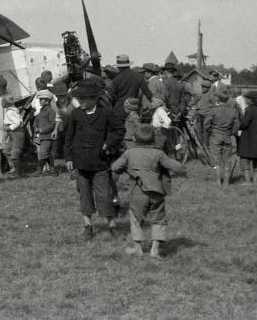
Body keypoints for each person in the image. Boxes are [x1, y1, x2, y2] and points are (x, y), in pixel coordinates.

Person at [111, 124, 185, 259]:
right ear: (153, 139)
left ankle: (138, 249)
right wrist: (182, 166)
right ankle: (154, 250)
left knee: (136, 219)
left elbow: (115, 167)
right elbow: (177, 168)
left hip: (138, 192)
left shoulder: (129, 153)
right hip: (157, 192)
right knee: (159, 220)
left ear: (135, 139)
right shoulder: (159, 153)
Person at [64, 79, 125, 239]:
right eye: (79, 99)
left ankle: (112, 226)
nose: (80, 102)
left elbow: (119, 130)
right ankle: (88, 227)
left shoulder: (105, 113)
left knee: (104, 195)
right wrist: (69, 158)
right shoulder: (76, 114)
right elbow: (68, 137)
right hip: (80, 163)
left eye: (83, 99)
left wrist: (108, 144)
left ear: (94, 99)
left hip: (100, 163)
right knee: (84, 195)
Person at [205, 90, 239, 186]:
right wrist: (231, 132)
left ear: (218, 99)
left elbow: (206, 124)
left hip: (215, 136)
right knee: (227, 161)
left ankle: (218, 182)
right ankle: (226, 182)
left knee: (217, 161)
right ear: (227, 99)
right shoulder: (233, 111)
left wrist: (210, 131)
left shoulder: (214, 110)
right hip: (227, 137)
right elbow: (236, 125)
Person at [237, 91, 257, 185]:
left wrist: (239, 124)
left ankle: (247, 181)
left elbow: (245, 124)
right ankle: (255, 181)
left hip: (248, 138)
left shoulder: (249, 110)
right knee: (256, 160)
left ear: (250, 100)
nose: (245, 99)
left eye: (246, 98)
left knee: (244, 159)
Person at [33, 90, 57, 176]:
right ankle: (53, 171)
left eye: (41, 99)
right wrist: (35, 126)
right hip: (42, 136)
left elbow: (52, 124)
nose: (39, 101)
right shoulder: (41, 110)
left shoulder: (51, 111)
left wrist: (42, 130)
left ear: (47, 101)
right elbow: (37, 119)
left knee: (42, 153)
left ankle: (39, 171)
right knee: (48, 154)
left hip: (48, 136)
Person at [2, 94, 24, 178]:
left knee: (14, 155)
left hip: (16, 134)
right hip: (13, 135)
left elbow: (17, 123)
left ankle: (18, 173)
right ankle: (13, 169)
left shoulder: (10, 112)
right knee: (6, 151)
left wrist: (9, 128)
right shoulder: (13, 110)